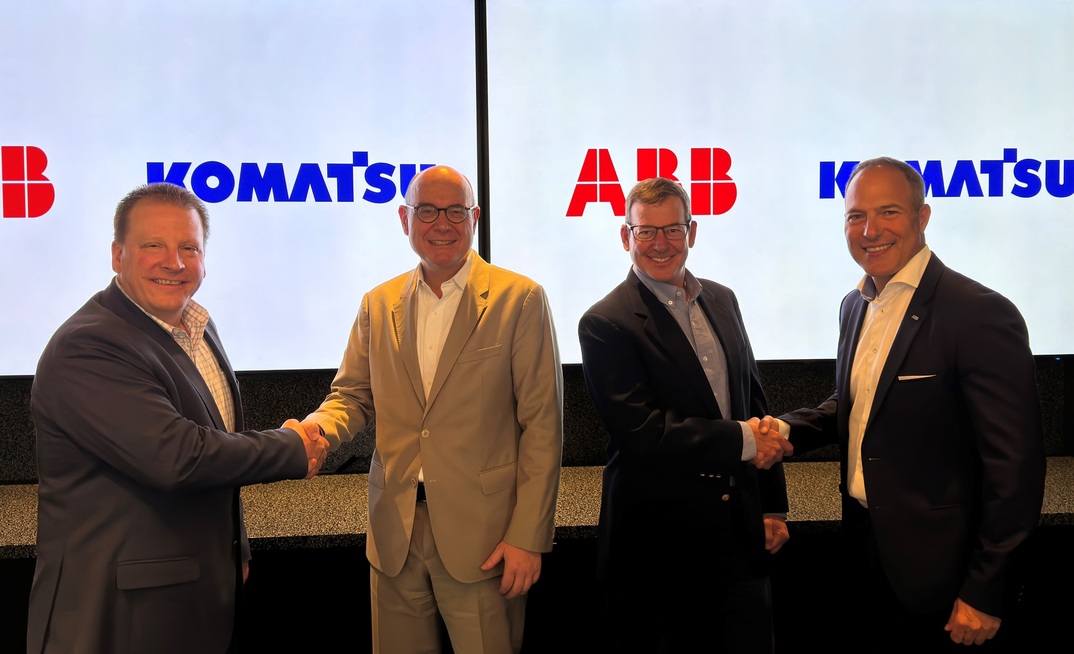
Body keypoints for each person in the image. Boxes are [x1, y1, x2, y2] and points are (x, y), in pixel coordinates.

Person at [27, 182, 329, 654]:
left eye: (189, 247)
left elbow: (217, 447)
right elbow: (177, 456)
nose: (174, 262)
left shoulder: (197, 327)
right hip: (123, 612)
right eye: (154, 246)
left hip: (197, 594)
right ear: (118, 255)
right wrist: (290, 447)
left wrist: (234, 548)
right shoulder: (88, 345)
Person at [766, 157, 1046, 651]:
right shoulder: (855, 305)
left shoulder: (979, 313)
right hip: (867, 557)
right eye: (856, 216)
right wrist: (786, 431)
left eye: (888, 212)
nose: (870, 230)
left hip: (948, 581)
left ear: (923, 216)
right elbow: (858, 404)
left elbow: (1016, 469)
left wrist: (986, 588)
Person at [302, 165, 563, 654]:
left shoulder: (520, 300)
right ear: (405, 219)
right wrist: (314, 431)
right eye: (426, 211)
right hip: (394, 533)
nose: (441, 224)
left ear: (475, 218)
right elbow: (351, 396)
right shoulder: (377, 303)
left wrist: (529, 537)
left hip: (485, 537)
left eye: (455, 211)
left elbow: (543, 427)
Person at [577, 176, 793, 653]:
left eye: (673, 229)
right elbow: (643, 433)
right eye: (646, 231)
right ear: (626, 236)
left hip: (740, 533)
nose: (661, 244)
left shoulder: (722, 298)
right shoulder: (605, 321)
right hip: (658, 546)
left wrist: (771, 506)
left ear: (691, 232)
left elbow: (754, 405)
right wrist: (744, 440)